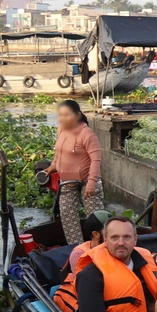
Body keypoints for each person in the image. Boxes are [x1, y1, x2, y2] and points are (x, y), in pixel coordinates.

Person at [75, 216, 157, 312]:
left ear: (135, 239)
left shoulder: (147, 264)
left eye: (126, 237)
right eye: (114, 237)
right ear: (105, 240)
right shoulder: (90, 276)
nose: (121, 243)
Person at [44, 100, 105, 246]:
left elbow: (96, 159)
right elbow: (59, 152)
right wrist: (53, 165)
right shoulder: (61, 129)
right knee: (67, 216)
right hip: (68, 181)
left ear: (77, 115)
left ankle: (101, 247)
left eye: (67, 115)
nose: (63, 118)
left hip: (88, 181)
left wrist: (91, 183)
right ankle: (76, 249)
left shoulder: (87, 134)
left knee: (96, 218)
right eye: (61, 115)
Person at [53, 210, 112, 312]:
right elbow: (85, 289)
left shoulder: (115, 248)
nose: (114, 233)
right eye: (109, 230)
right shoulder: (79, 254)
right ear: (96, 234)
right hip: (89, 296)